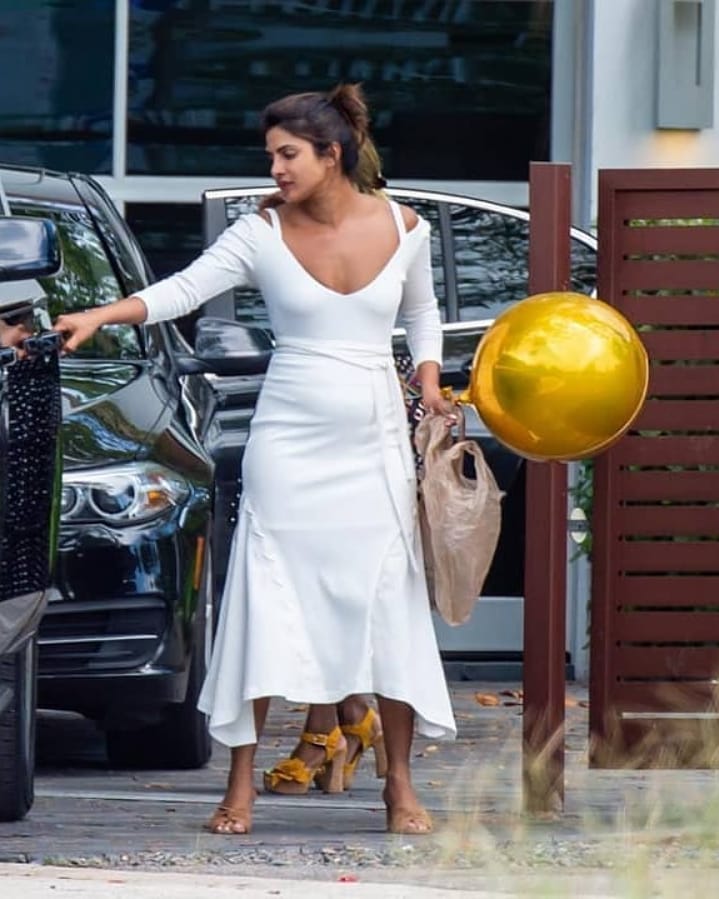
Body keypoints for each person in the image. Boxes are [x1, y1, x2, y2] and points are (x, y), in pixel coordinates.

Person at [53, 83, 457, 836]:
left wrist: (428, 383)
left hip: (373, 436)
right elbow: (183, 289)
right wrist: (97, 314)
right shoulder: (258, 232)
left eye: (286, 154)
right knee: (267, 601)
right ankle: (237, 787)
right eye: (271, 154)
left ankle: (398, 786)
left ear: (330, 154)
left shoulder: (405, 227)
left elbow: (422, 313)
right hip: (288, 438)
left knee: (385, 602)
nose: (273, 168)